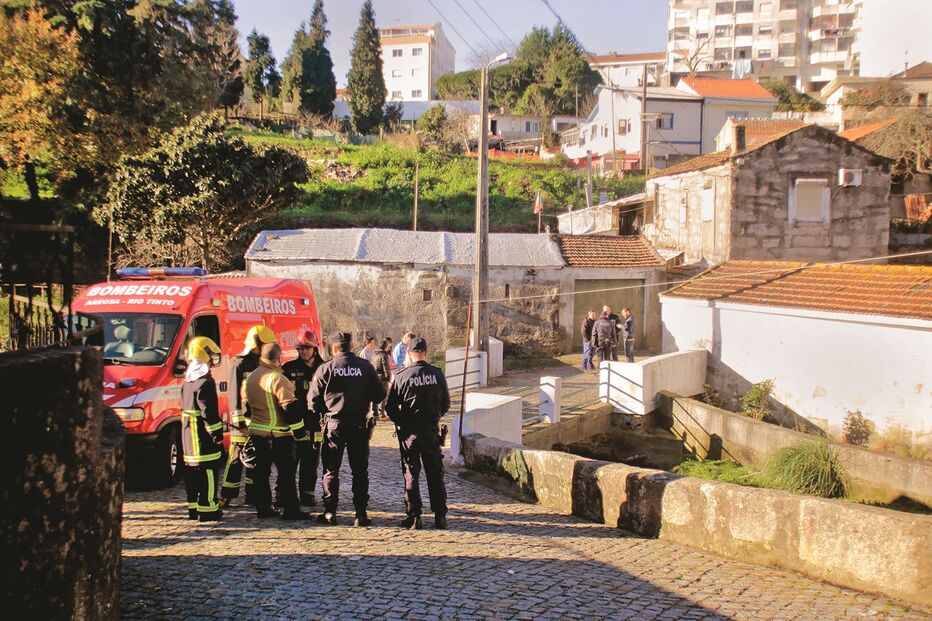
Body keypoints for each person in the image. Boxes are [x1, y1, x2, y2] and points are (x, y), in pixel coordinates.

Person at [309, 331, 387, 527]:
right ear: (351, 347)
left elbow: (312, 402)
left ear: (334, 348)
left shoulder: (326, 368)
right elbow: (379, 395)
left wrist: (326, 410)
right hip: (359, 424)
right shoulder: (365, 367)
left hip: (334, 424)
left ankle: (329, 512)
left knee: (330, 470)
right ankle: (360, 514)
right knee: (360, 471)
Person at [385, 337, 451, 530]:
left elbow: (390, 407)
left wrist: (402, 422)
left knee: (411, 474)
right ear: (426, 352)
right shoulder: (437, 375)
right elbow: (446, 404)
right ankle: (440, 516)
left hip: (409, 432)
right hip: (431, 431)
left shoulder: (402, 376)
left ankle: (415, 516)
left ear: (409, 354)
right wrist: (434, 417)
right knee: (435, 474)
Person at [243, 342, 310, 520]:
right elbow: (290, 409)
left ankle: (263, 509)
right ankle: (291, 511)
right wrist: (300, 433)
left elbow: (247, 407)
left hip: (257, 433)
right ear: (278, 359)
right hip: (279, 434)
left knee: (261, 474)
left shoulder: (251, 378)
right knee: (287, 475)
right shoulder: (277, 379)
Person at [220, 325, 276, 508]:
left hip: (260, 419)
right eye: (266, 344)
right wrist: (238, 420)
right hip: (243, 420)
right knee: (236, 458)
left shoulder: (263, 364)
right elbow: (234, 395)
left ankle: (252, 496)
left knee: (257, 459)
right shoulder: (239, 364)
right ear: (257, 343)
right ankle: (227, 495)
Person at [181, 337, 224, 522]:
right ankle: (209, 510)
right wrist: (217, 435)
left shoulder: (187, 381)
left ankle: (193, 509)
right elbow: (209, 413)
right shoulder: (205, 382)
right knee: (209, 472)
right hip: (202, 437)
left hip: (187, 435)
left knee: (192, 473)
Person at [281, 330, 326, 506]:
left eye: (307, 348)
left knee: (311, 461)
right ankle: (284, 495)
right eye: (300, 348)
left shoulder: (324, 368)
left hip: (315, 423)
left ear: (315, 348)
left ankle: (307, 494)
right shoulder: (289, 369)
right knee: (289, 463)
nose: (304, 352)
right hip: (294, 423)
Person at [371, 339, 392, 420]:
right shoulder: (384, 355)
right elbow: (386, 367)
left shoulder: (374, 354)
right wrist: (388, 377)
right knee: (383, 396)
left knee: (374, 395)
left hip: (374, 376)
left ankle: (374, 412)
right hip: (382, 378)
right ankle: (381, 413)